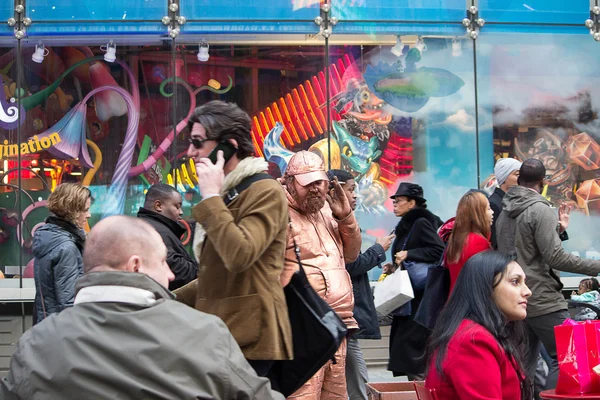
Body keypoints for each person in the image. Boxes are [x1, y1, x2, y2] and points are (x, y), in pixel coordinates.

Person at [1, 216, 283, 400]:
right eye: (163, 262)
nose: (171, 275)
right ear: (135, 265)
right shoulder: (203, 333)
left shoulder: (35, 346)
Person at [174, 100, 292, 378]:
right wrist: (164, 298)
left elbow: (240, 255)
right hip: (222, 334)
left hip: (250, 339)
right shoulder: (229, 193)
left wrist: (212, 197)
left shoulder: (264, 191)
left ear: (228, 146)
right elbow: (218, 276)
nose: (190, 152)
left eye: (198, 142)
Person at [497, 158, 600, 391]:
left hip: (515, 298)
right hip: (543, 298)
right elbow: (556, 257)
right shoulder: (539, 209)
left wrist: (557, 230)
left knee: (523, 365)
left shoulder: (505, 211)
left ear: (519, 179)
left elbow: (521, 248)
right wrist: (597, 266)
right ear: (543, 182)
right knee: (566, 359)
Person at [281, 152, 361, 399]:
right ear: (289, 182)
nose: (315, 189)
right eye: (308, 183)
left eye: (320, 182)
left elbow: (351, 255)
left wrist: (346, 218)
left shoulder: (328, 211)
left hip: (337, 324)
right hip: (302, 327)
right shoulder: (277, 212)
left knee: (335, 395)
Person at [425, 251, 533, 400]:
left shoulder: (480, 333)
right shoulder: (473, 341)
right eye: (515, 282)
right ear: (486, 287)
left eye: (525, 282)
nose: (528, 292)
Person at [327, 169, 394, 400]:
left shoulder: (340, 220)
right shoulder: (331, 222)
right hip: (340, 315)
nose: (356, 196)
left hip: (343, 317)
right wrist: (378, 250)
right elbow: (349, 265)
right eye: (351, 190)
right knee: (356, 379)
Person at [387, 182, 445, 380]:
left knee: (414, 345)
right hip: (410, 294)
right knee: (410, 346)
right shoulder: (409, 223)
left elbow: (438, 250)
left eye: (399, 201)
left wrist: (409, 253)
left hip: (418, 297)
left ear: (412, 203)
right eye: (394, 201)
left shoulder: (419, 223)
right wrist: (394, 265)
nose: (395, 204)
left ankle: (421, 386)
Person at [32, 183, 91, 324]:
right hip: (63, 329)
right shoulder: (66, 247)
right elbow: (69, 302)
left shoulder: (50, 237)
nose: (89, 215)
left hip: (48, 324)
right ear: (72, 211)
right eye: (85, 210)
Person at [137, 183, 197, 290]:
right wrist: (199, 271)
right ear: (158, 206)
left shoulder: (147, 227)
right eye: (177, 207)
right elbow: (175, 269)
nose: (181, 212)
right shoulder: (158, 232)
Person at [445, 191, 493, 293]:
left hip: (454, 299)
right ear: (478, 214)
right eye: (488, 208)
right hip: (471, 301)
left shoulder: (456, 238)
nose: (492, 212)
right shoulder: (478, 242)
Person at [489, 157, 521, 249]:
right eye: (517, 174)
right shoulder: (494, 204)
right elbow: (495, 241)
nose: (521, 179)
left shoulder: (511, 201)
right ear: (504, 177)